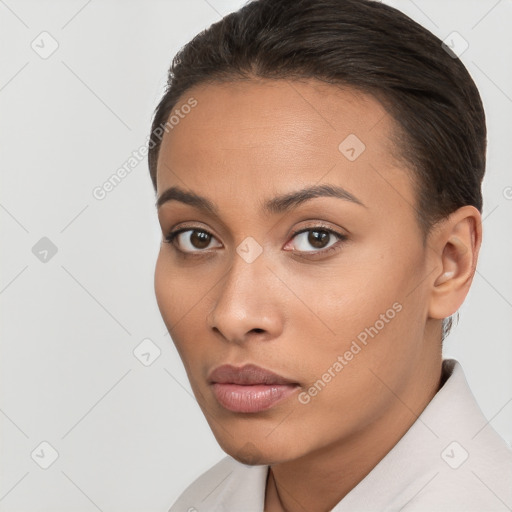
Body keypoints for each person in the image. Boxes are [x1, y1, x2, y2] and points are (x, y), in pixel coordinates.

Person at [147, 0, 512, 510]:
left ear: (449, 262)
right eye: (196, 237)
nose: (233, 314)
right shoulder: (199, 502)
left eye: (316, 237)